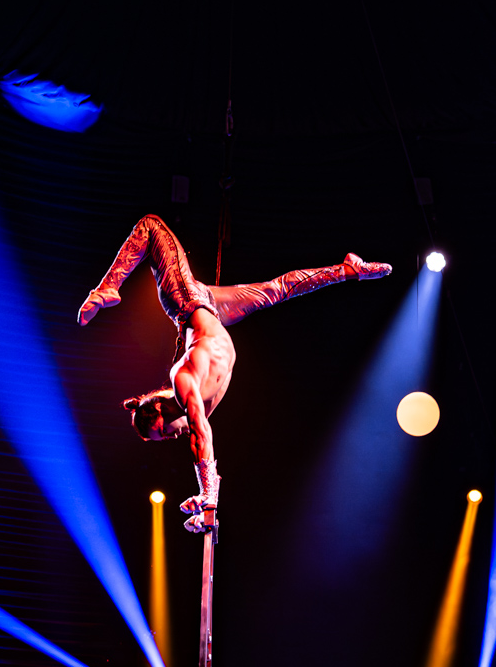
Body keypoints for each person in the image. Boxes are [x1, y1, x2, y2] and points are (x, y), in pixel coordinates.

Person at [77, 214, 392, 532]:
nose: (172, 436)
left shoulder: (183, 381)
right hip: (211, 308)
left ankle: (105, 289)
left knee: (151, 224)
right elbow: (206, 444)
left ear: (159, 409)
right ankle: (347, 270)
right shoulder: (200, 405)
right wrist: (206, 505)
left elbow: (200, 437)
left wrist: (206, 494)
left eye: (164, 431)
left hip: (185, 302)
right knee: (275, 290)